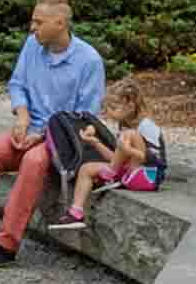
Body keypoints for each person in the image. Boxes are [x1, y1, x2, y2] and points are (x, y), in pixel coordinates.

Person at [0, 0, 103, 267]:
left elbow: (84, 119)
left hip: (61, 142)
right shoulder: (33, 45)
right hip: (27, 129)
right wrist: (21, 117)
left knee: (33, 161)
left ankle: (6, 246)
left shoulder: (89, 61)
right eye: (33, 20)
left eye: (38, 22)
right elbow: (17, 84)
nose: (32, 27)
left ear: (60, 23)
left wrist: (42, 134)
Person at [58, 80, 161, 227]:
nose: (108, 113)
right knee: (86, 169)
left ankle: (111, 172)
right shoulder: (124, 126)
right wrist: (95, 142)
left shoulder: (147, 127)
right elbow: (116, 158)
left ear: (130, 106)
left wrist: (128, 151)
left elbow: (151, 160)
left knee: (130, 135)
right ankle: (76, 213)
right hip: (128, 172)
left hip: (148, 175)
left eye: (113, 108)